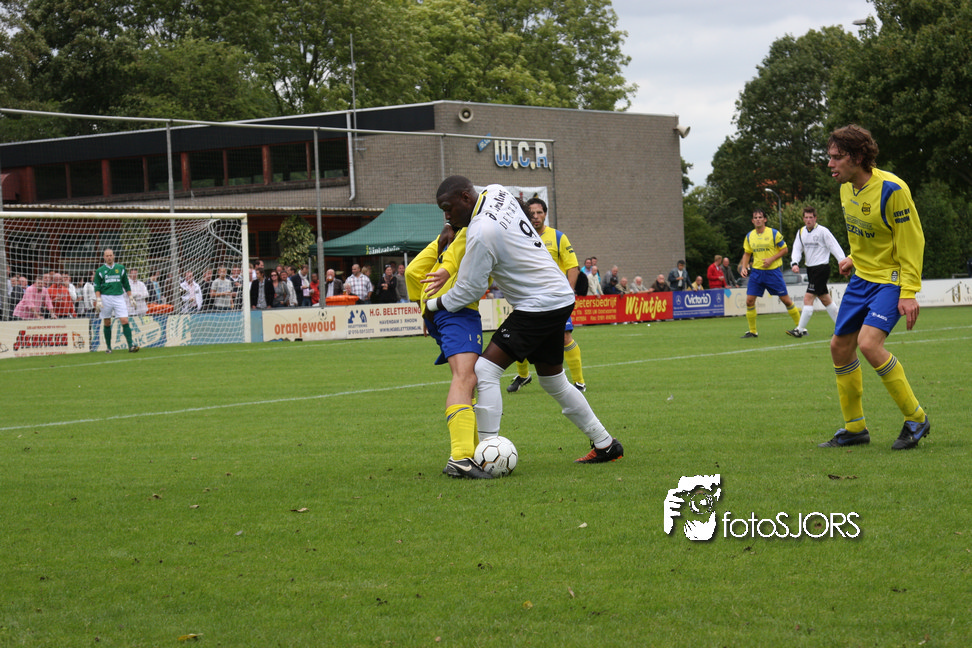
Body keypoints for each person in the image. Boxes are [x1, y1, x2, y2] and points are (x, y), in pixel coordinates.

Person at [423, 176, 623, 466]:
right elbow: (497, 207)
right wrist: (452, 226)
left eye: (448, 209)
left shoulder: (482, 231)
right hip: (557, 297)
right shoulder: (495, 191)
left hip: (538, 304)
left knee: (485, 370)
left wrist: (431, 305)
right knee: (554, 381)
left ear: (466, 198)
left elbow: (469, 290)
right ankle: (605, 444)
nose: (446, 216)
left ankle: (486, 455)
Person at [818, 124, 929, 451]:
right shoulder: (846, 189)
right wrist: (853, 257)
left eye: (836, 157)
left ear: (857, 157)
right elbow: (871, 234)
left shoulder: (892, 189)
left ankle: (917, 418)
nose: (830, 164)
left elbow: (911, 242)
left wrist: (908, 292)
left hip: (891, 280)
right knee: (840, 347)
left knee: (868, 344)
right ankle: (855, 428)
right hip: (862, 279)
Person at [408, 222, 487, 479]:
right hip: (457, 310)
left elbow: (412, 272)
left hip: (436, 312)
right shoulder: (475, 229)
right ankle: (461, 457)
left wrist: (424, 307)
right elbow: (452, 261)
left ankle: (472, 452)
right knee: (465, 377)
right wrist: (445, 272)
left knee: (468, 378)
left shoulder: (445, 237)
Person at [507, 197, 588, 394]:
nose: (535, 217)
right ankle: (523, 375)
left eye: (539, 213)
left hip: (555, 298)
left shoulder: (558, 237)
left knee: (564, 336)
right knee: (518, 336)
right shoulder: (518, 236)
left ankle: (579, 382)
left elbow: (572, 266)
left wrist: (569, 292)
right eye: (532, 213)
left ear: (545, 214)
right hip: (528, 297)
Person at [738, 209, 802, 338]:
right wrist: (744, 267)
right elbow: (747, 253)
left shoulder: (773, 233)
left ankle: (801, 327)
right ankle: (752, 331)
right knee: (749, 301)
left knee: (786, 300)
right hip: (756, 273)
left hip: (773, 272)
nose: (758, 219)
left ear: (765, 219)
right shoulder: (750, 236)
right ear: (752, 221)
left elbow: (784, 249)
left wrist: (771, 259)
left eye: (760, 217)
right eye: (755, 217)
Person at [786, 206, 846, 337]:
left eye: (811, 217)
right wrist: (794, 263)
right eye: (806, 217)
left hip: (821, 268)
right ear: (803, 219)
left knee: (808, 298)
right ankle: (842, 328)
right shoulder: (801, 232)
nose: (808, 220)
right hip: (811, 269)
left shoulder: (823, 231)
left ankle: (799, 330)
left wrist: (843, 262)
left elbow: (834, 246)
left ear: (815, 218)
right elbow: (797, 249)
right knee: (825, 299)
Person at [94, 249, 139, 352]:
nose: (109, 257)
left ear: (114, 256)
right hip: (105, 297)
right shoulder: (100, 271)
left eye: (110, 255)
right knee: (107, 322)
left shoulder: (121, 268)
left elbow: (126, 284)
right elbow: (97, 287)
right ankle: (109, 347)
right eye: (107, 256)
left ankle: (131, 345)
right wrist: (98, 299)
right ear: (104, 257)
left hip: (119, 297)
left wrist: (131, 297)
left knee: (124, 320)